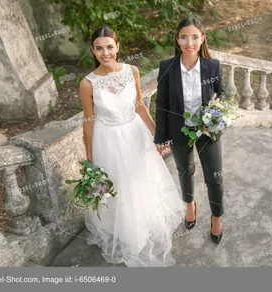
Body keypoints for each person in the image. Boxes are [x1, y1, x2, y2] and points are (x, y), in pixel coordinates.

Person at [79, 27, 185, 267]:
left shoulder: (132, 71)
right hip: (108, 139)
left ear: (117, 46)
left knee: (141, 179)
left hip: (135, 133)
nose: (105, 53)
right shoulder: (87, 83)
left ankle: (145, 222)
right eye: (99, 48)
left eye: (109, 47)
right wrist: (89, 159)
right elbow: (88, 122)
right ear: (93, 50)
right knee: (119, 185)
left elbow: (139, 106)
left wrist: (158, 135)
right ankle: (128, 233)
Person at [154, 17, 225, 244]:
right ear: (177, 39)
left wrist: (215, 116)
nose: (189, 42)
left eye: (195, 37)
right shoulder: (167, 67)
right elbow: (162, 104)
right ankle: (190, 205)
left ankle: (216, 217)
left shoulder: (212, 66)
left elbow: (221, 95)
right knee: (185, 170)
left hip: (207, 130)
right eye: (184, 37)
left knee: (214, 176)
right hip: (179, 130)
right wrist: (161, 137)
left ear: (202, 38)